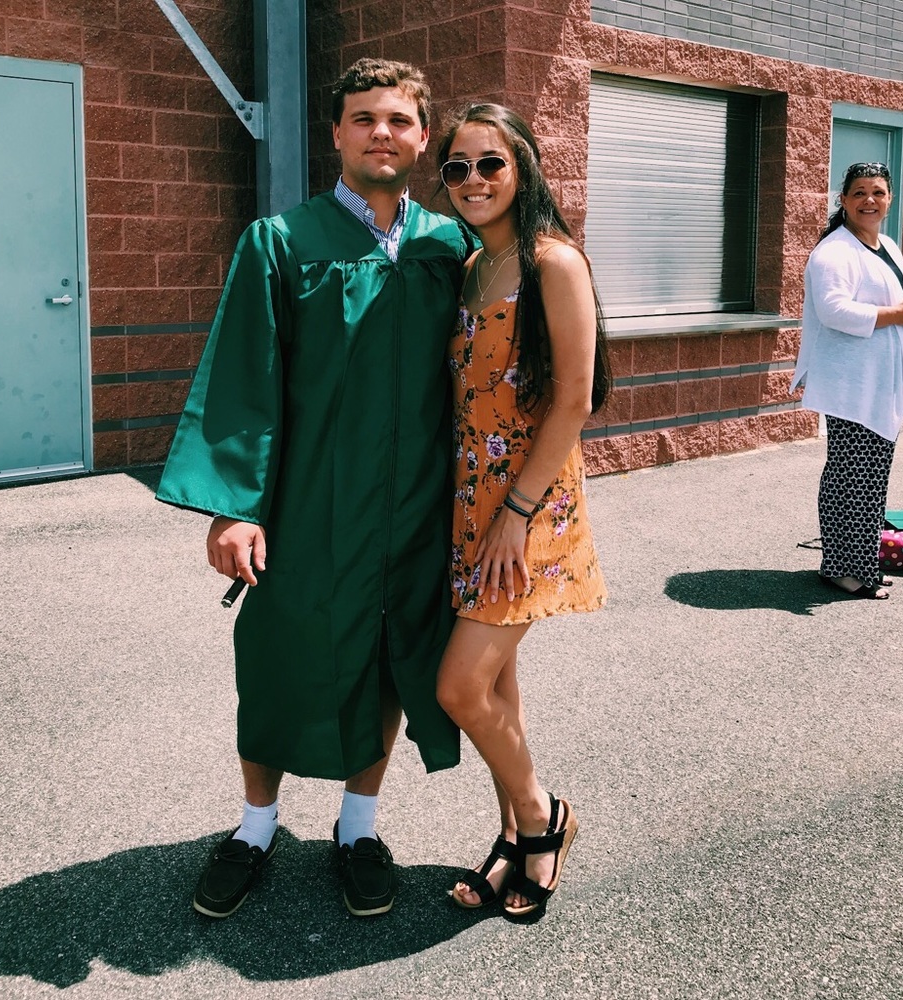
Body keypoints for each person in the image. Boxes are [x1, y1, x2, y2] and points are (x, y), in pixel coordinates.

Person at [156, 58, 471, 919]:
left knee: (388, 662)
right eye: (364, 118)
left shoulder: (451, 247)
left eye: (400, 120)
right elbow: (243, 380)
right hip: (304, 506)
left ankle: (358, 828)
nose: (382, 132)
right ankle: (256, 826)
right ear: (335, 134)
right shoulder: (281, 242)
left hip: (415, 507)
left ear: (421, 136)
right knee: (275, 659)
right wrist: (233, 505)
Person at [432, 103, 610, 918]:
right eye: (457, 167)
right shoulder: (473, 266)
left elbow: (574, 398)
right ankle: (511, 839)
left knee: (460, 689)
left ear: (525, 167)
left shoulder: (553, 263)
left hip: (528, 506)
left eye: (490, 163)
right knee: (497, 681)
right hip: (473, 499)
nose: (473, 180)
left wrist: (517, 511)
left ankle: (542, 820)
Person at [791, 161, 903, 600]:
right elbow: (833, 310)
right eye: (859, 192)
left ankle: (858, 563)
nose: (869, 201)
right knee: (852, 478)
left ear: (890, 199)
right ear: (843, 201)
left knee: (869, 477)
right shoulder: (834, 252)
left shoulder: (887, 246)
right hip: (852, 385)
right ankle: (845, 570)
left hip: (879, 384)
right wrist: (898, 315)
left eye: (877, 192)